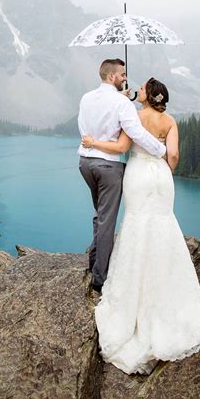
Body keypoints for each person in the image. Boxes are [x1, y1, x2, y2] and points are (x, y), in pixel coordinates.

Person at [81, 77, 200, 375]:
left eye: (141, 88)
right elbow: (172, 154)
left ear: (148, 96)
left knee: (136, 225)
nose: (136, 90)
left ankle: (131, 305)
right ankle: (169, 301)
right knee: (163, 226)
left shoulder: (133, 115)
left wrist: (93, 143)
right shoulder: (170, 121)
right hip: (160, 176)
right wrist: (165, 170)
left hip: (136, 174)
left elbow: (123, 145)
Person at [77, 59, 166, 293]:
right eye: (122, 74)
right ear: (112, 77)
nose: (125, 78)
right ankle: (100, 279)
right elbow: (135, 132)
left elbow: (83, 129)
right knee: (107, 221)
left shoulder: (86, 98)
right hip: (108, 167)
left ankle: (93, 261)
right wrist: (160, 150)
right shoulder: (122, 102)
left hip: (85, 163)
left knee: (100, 214)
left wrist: (122, 100)